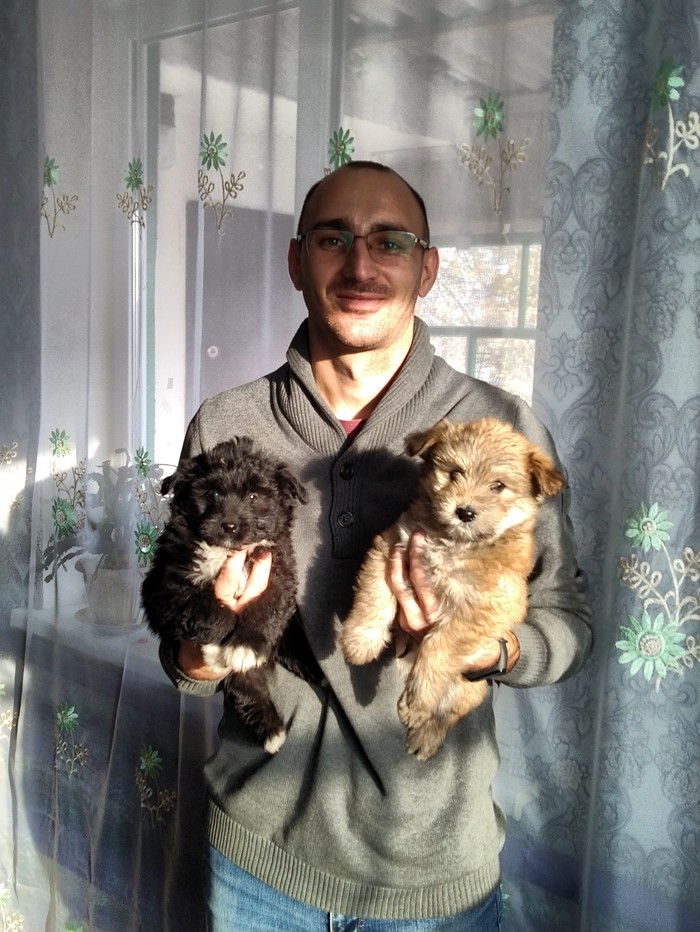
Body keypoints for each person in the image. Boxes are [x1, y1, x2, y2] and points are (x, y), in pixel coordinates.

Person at [159, 161, 592, 931]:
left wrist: (487, 649)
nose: (361, 266)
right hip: (259, 858)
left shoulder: (500, 428)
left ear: (428, 268)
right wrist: (201, 647)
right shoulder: (227, 422)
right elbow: (181, 641)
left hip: (433, 874)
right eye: (334, 239)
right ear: (297, 261)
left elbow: (568, 621)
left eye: (389, 241)